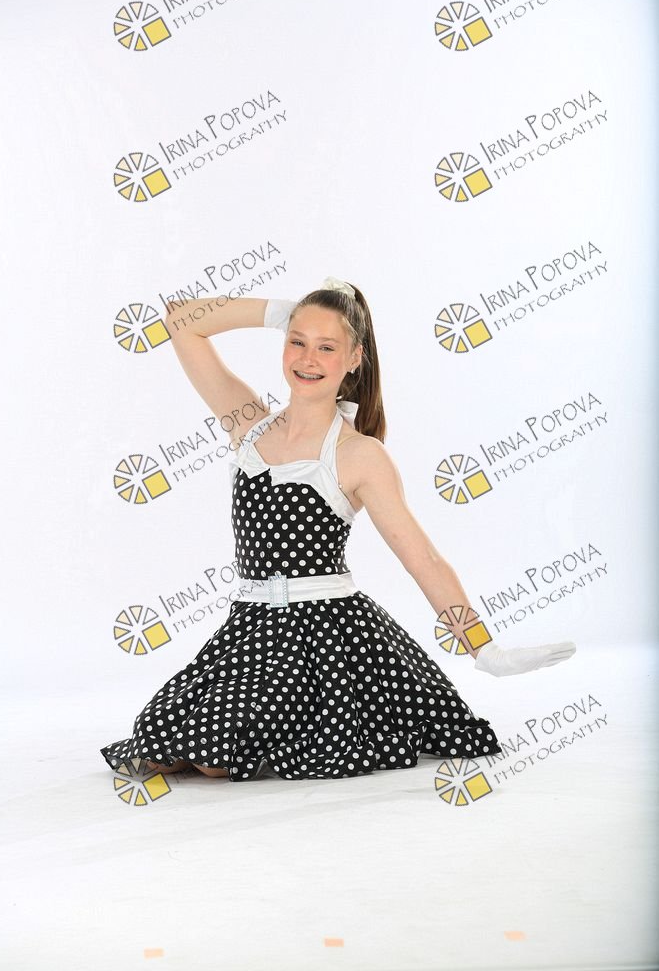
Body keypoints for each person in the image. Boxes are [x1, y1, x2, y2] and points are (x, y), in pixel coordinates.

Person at [100, 277, 576, 781]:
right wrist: (285, 312)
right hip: (252, 629)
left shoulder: (359, 455)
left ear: (354, 358)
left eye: (327, 347)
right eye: (297, 342)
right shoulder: (248, 424)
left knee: (214, 759)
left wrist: (485, 649)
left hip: (325, 639)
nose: (308, 359)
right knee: (159, 737)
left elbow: (425, 560)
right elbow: (182, 324)